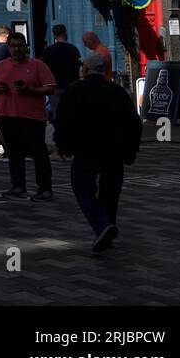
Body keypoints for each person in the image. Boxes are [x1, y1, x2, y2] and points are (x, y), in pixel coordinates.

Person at [54, 51, 142, 252]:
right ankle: (106, 233)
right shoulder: (118, 92)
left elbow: (63, 120)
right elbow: (133, 123)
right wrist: (131, 150)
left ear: (84, 70)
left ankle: (102, 226)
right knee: (110, 193)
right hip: (114, 151)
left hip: (86, 149)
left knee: (82, 188)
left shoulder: (74, 90)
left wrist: (62, 144)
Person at [0, 32, 57, 200]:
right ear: (8, 48)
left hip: (32, 116)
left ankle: (45, 188)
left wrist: (31, 90)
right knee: (14, 153)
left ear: (26, 46)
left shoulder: (38, 65)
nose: (17, 49)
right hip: (7, 114)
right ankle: (18, 186)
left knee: (38, 153)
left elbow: (50, 88)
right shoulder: (1, 66)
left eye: (20, 45)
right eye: (13, 46)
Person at [41, 24, 82, 120]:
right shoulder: (73, 49)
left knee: (57, 114)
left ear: (54, 35)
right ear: (65, 33)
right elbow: (78, 67)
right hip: (71, 86)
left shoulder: (47, 51)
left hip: (55, 88)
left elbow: (43, 69)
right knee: (72, 113)